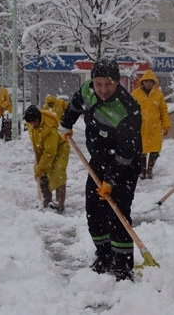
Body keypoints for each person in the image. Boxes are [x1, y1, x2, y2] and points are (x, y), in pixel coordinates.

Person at [58, 57, 142, 281]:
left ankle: (122, 266)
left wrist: (111, 181)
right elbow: (75, 105)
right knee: (94, 211)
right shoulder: (87, 90)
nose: (103, 89)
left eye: (108, 84)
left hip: (125, 165)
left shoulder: (128, 109)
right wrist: (66, 124)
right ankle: (104, 256)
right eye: (99, 84)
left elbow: (128, 152)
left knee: (117, 214)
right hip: (98, 161)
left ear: (118, 82)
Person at [24, 105, 70, 213]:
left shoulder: (50, 127)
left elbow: (50, 152)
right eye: (30, 122)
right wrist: (39, 167)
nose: (32, 124)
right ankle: (46, 200)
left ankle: (60, 204)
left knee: (58, 172)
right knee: (42, 172)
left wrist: (40, 167)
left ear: (39, 118)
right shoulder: (31, 122)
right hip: (42, 147)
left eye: (34, 122)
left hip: (60, 148)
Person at [131, 69, 170, 179]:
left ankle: (150, 169)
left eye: (150, 81)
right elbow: (129, 110)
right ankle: (142, 170)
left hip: (155, 128)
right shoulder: (136, 94)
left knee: (154, 150)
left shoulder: (158, 94)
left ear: (154, 82)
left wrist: (166, 124)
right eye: (146, 81)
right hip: (140, 127)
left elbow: (163, 110)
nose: (148, 84)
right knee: (141, 150)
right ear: (142, 82)